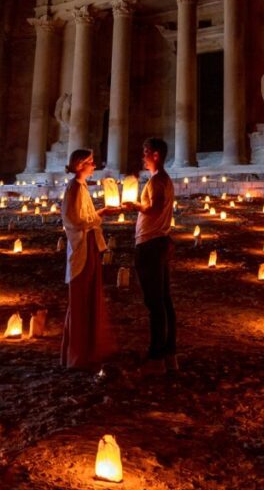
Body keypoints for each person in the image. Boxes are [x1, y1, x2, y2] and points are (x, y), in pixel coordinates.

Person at [60, 147, 116, 370]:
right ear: (80, 165)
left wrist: (100, 213)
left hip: (89, 244)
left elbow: (85, 216)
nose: (95, 165)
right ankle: (78, 354)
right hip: (82, 247)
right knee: (81, 298)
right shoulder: (74, 187)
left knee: (89, 296)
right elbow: (72, 220)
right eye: (91, 162)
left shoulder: (81, 187)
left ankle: (88, 349)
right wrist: (96, 218)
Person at [125, 137, 177, 373]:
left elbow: (155, 208)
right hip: (160, 241)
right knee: (164, 301)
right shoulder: (165, 180)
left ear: (155, 155)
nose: (143, 156)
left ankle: (157, 356)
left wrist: (135, 205)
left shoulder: (157, 181)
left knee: (155, 302)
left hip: (150, 244)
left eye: (146, 152)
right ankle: (169, 354)